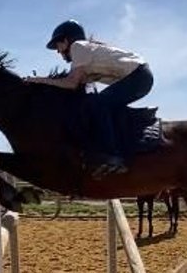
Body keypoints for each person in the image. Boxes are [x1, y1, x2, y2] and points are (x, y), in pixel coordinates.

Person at [24, 19, 154, 178]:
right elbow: (77, 84)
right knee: (95, 103)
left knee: (99, 104)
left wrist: (39, 80)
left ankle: (112, 156)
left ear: (66, 40)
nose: (58, 51)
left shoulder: (77, 47)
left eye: (58, 45)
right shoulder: (84, 53)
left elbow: (71, 84)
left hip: (139, 77)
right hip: (140, 77)